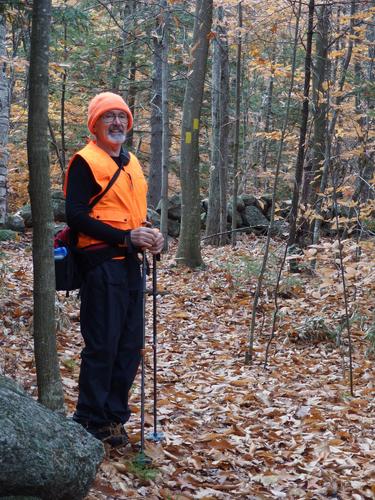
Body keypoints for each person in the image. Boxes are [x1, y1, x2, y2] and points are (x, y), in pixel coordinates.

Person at [64, 92, 164, 447]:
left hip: (131, 267)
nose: (117, 123)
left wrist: (150, 234)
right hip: (100, 265)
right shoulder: (85, 161)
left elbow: (132, 214)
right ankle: (90, 420)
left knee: (129, 345)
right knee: (103, 345)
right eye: (109, 117)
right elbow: (74, 215)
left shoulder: (132, 162)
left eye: (122, 117)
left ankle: (113, 419)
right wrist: (126, 237)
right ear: (95, 124)